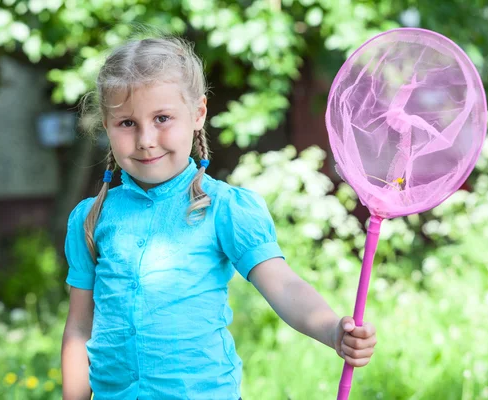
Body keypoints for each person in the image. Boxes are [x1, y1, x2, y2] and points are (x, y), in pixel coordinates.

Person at [61, 35, 377, 400]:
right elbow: (79, 329)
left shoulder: (224, 208)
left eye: (162, 118)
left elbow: (285, 287)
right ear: (106, 124)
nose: (146, 139)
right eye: (127, 123)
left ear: (198, 114)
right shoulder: (91, 218)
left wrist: (333, 330)